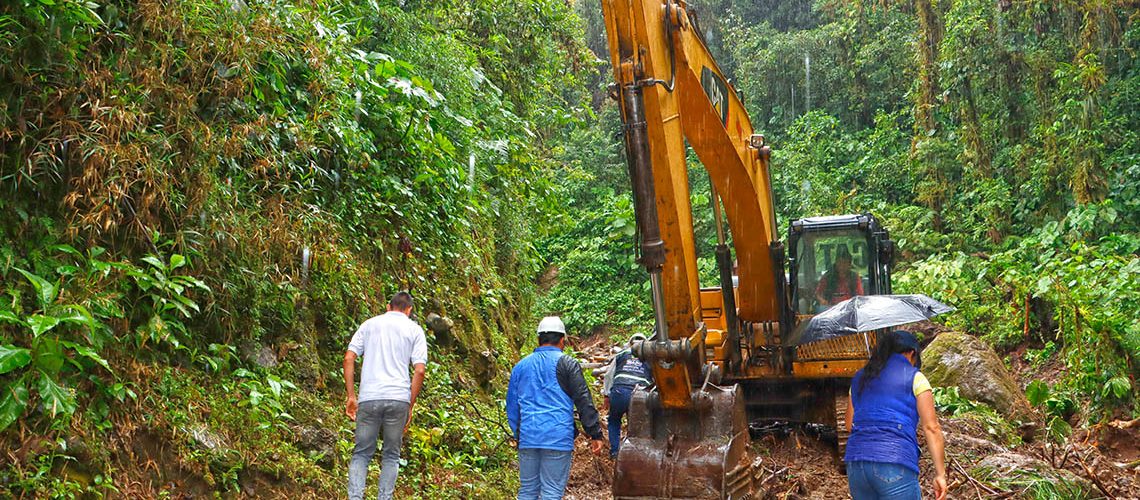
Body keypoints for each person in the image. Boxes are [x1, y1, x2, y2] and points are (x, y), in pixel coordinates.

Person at [506, 316, 606, 500]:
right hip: (557, 437)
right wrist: (595, 433)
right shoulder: (568, 364)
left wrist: (519, 433)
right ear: (562, 340)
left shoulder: (520, 366)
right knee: (551, 492)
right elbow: (583, 399)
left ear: (538, 340)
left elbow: (512, 406)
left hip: (528, 436)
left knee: (527, 490)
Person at [344, 291, 428, 500]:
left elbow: (349, 358)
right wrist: (410, 405)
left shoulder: (369, 325)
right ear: (409, 310)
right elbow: (419, 370)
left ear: (388, 307)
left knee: (362, 453)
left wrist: (351, 396)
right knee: (391, 455)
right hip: (398, 398)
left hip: (369, 397)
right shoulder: (415, 330)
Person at [844, 330, 947, 500]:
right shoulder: (916, 378)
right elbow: (931, 427)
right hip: (894, 461)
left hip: (857, 465)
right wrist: (940, 474)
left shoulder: (860, 378)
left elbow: (849, 425)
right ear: (912, 352)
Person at [601, 333, 653, 458]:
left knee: (614, 420)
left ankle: (615, 452)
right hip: (639, 394)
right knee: (635, 426)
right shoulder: (650, 357)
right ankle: (633, 454)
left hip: (619, 391)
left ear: (630, 344)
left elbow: (609, 375)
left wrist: (606, 395)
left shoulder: (621, 355)